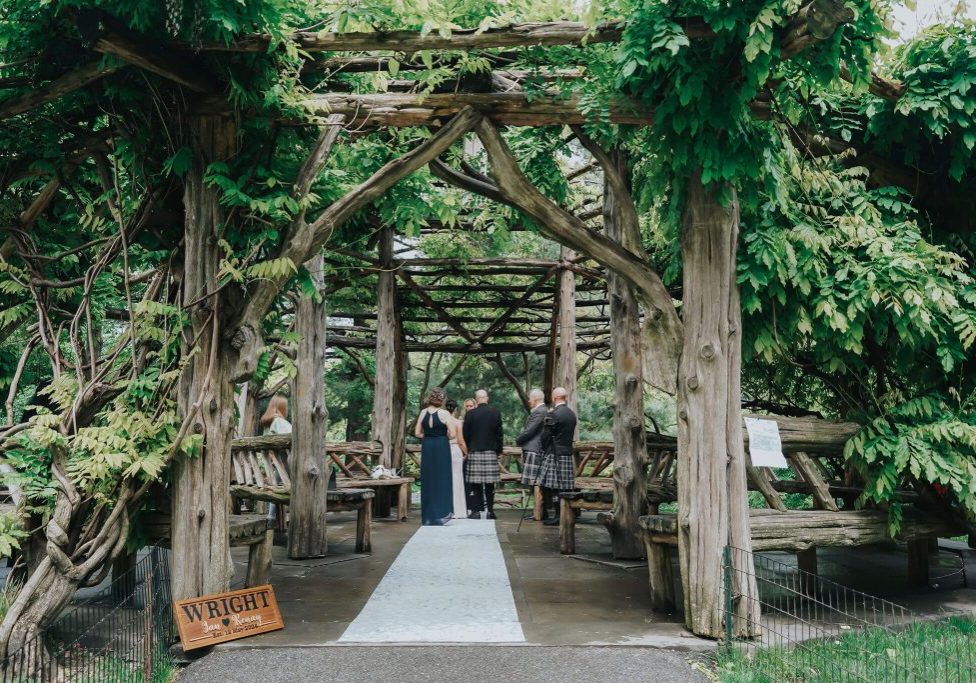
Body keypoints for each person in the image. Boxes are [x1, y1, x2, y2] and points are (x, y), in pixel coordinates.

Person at [413, 387, 456, 526]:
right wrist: (443, 436)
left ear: (430, 398)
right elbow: (453, 434)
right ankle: (441, 513)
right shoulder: (445, 413)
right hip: (441, 446)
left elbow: (417, 433)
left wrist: (428, 436)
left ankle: (428, 516)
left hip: (427, 445)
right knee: (443, 478)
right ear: (442, 399)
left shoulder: (423, 412)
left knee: (428, 479)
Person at [537, 387, 578, 526]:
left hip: (554, 453)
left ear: (555, 398)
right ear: (565, 397)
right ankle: (566, 514)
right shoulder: (571, 414)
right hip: (566, 452)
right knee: (565, 486)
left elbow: (545, 435)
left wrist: (543, 449)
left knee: (554, 486)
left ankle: (558, 515)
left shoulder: (553, 414)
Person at [462, 389, 503, 519]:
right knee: (490, 484)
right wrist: (499, 451)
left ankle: (476, 512)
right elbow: (499, 434)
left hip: (474, 451)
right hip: (490, 451)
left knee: (475, 483)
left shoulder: (470, 414)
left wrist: (469, 448)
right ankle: (490, 512)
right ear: (487, 398)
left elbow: (465, 434)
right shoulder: (495, 413)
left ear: (476, 399)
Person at [515, 388, 550, 519]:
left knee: (535, 482)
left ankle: (539, 512)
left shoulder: (540, 411)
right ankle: (539, 511)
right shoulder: (542, 410)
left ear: (536, 398)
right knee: (534, 482)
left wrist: (518, 440)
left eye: (530, 398)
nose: (529, 401)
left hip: (534, 449)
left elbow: (530, 431)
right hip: (534, 448)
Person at [445, 399, 469, 519]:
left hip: (444, 450)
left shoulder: (442, 421)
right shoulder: (457, 422)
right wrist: (466, 453)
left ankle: (446, 508)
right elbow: (461, 441)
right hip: (455, 450)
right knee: (457, 478)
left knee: (446, 478)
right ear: (455, 409)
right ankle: (458, 510)